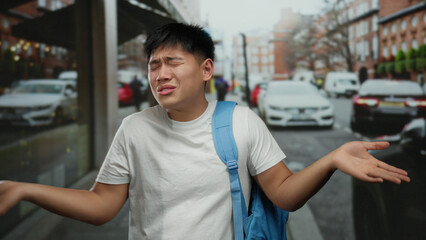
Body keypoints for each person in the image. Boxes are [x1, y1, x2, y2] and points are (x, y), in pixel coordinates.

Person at [0, 23, 410, 239]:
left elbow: (284, 194)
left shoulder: (239, 121)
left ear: (206, 69)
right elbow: (102, 206)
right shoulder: (134, 129)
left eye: (173, 62)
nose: (161, 74)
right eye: (154, 64)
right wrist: (25, 190)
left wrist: (332, 159)